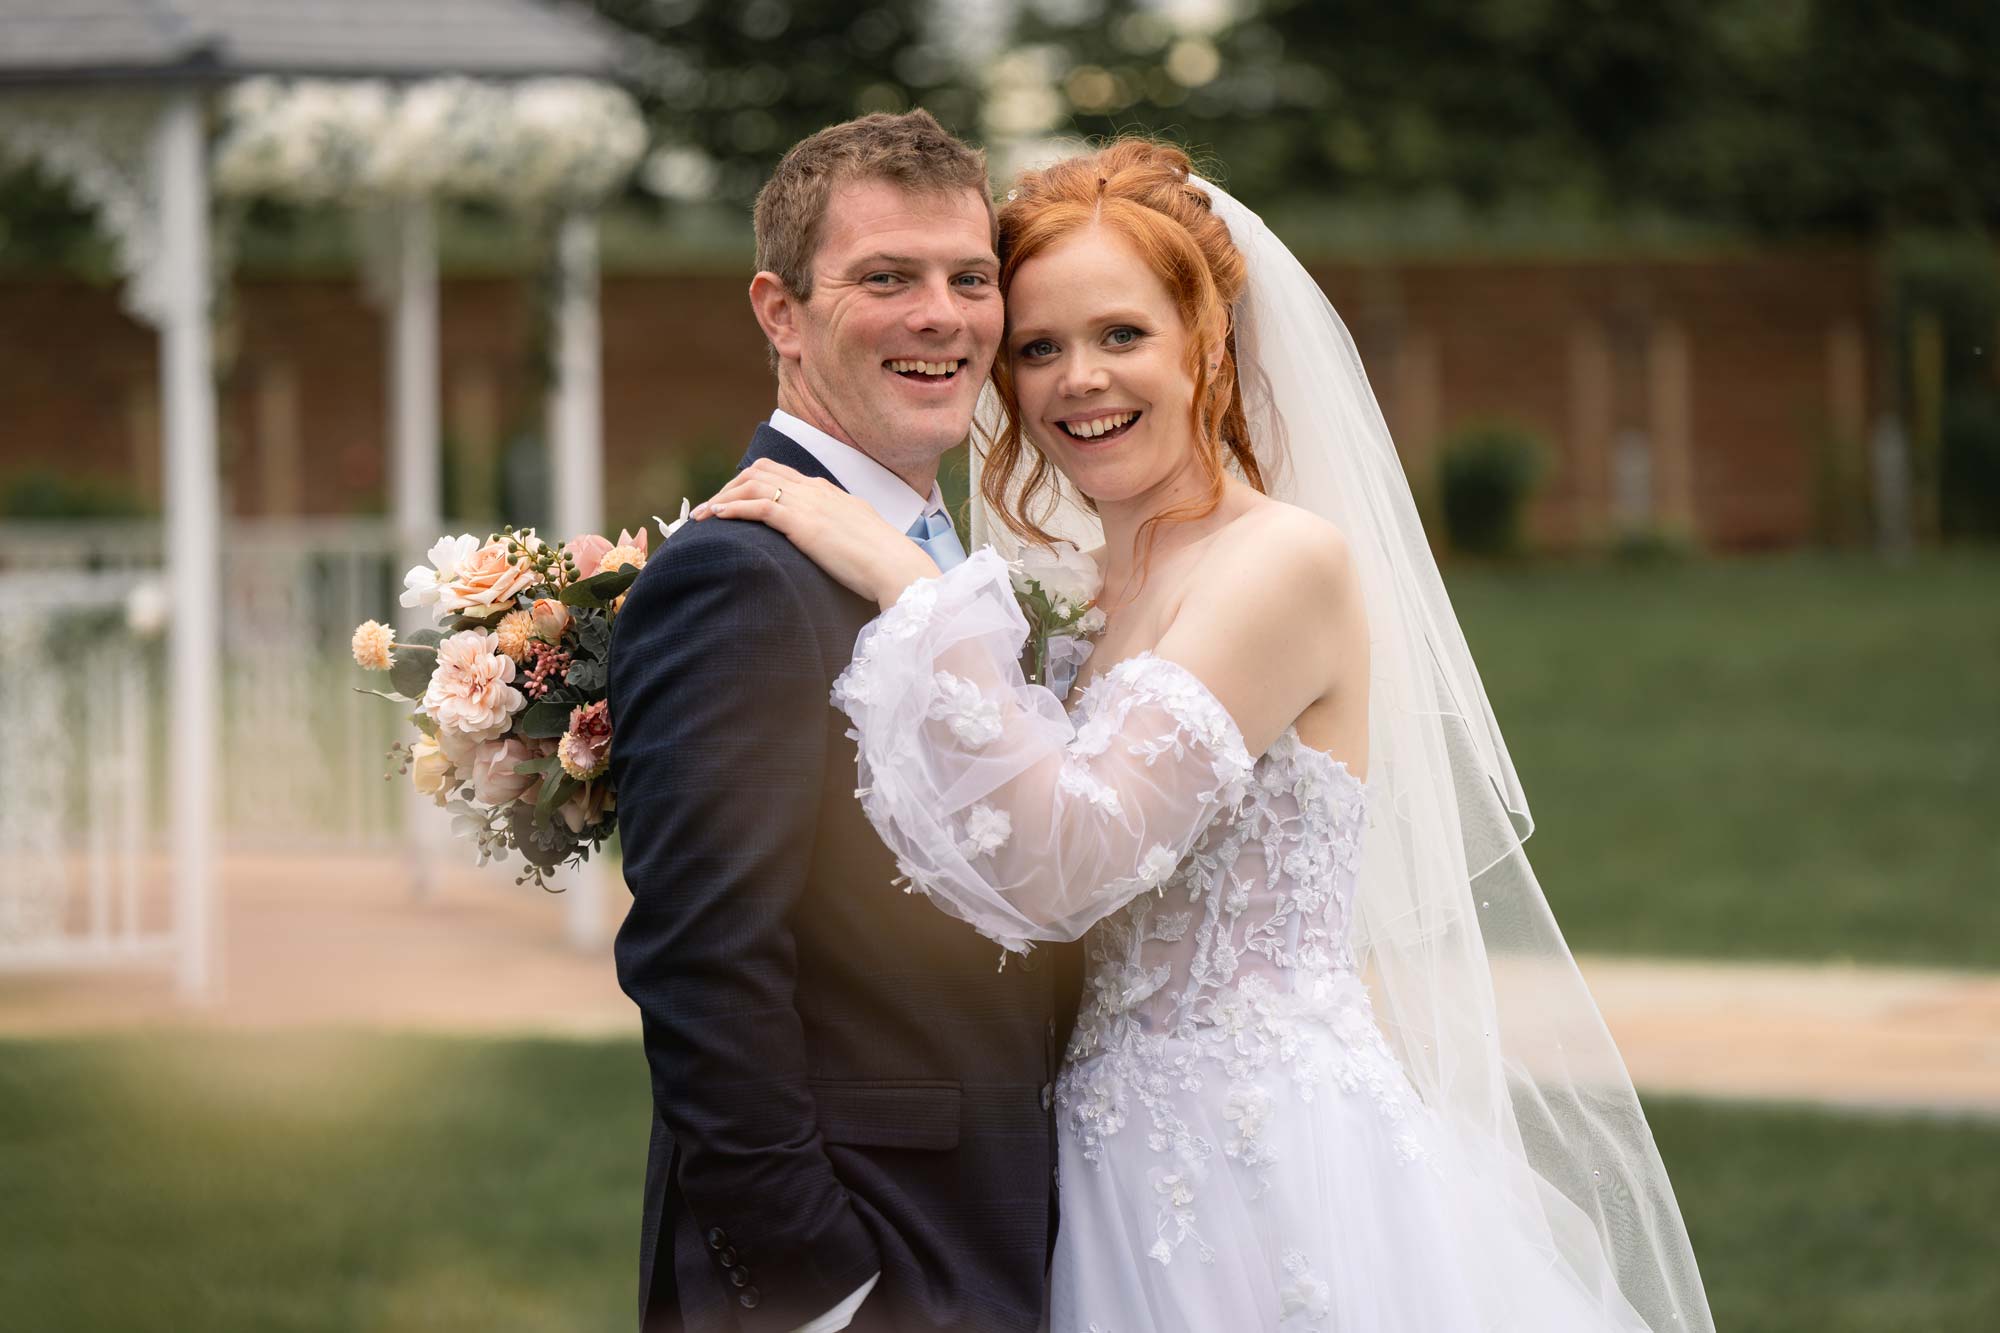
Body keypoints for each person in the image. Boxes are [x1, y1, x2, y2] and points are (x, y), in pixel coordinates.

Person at [694, 140, 1716, 1331]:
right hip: (1089, 1165)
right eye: (1038, 347)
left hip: (1263, 1173)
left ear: (1206, 341)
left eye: (1121, 335)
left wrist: (907, 587)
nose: (1079, 380)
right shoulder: (1076, 594)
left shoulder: (1280, 564)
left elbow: (1069, 859)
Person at [607, 110, 1081, 1333]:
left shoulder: (956, 562)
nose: (943, 316)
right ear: (779, 311)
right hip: (868, 1263)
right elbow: (700, 961)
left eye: (969, 279)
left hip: (998, 1233)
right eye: (886, 278)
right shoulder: (738, 579)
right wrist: (821, 1289)